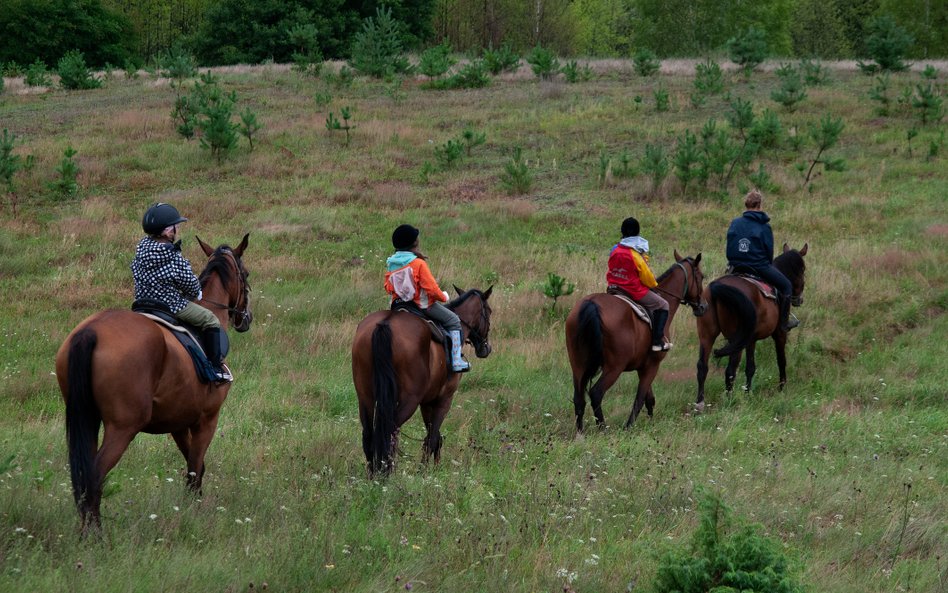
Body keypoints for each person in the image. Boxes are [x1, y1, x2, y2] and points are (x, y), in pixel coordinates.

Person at [132, 202, 232, 382]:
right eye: (175, 226)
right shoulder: (171, 255)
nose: (177, 229)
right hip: (170, 306)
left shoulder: (141, 249)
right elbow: (191, 286)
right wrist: (197, 292)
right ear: (167, 232)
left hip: (141, 304)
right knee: (210, 319)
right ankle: (216, 368)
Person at [384, 224, 470, 373]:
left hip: (397, 306)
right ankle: (456, 361)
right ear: (414, 243)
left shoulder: (391, 263)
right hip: (421, 305)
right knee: (454, 321)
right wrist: (443, 296)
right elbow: (431, 288)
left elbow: (388, 287)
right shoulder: (418, 263)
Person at [725, 189, 798, 332]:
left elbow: (729, 247)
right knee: (787, 286)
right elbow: (768, 253)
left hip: (735, 267)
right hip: (758, 266)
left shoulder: (735, 222)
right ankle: (783, 323)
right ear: (759, 204)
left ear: (746, 205)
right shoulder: (764, 226)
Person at [606, 217, 672, 352]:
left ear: (622, 231)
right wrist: (654, 284)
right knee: (663, 304)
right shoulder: (636, 254)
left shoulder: (615, 249)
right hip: (632, 291)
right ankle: (657, 341)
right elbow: (648, 279)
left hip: (613, 288)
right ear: (637, 232)